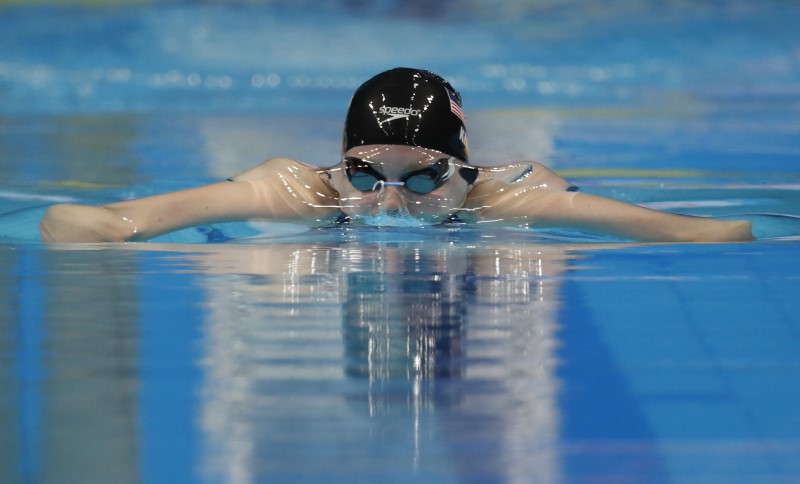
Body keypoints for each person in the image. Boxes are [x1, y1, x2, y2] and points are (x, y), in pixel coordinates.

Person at [39, 67, 753, 243]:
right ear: (338, 163)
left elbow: (711, 233)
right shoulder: (299, 190)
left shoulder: (511, 196)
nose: (387, 202)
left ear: (464, 168)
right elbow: (82, 222)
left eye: (422, 177)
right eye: (363, 173)